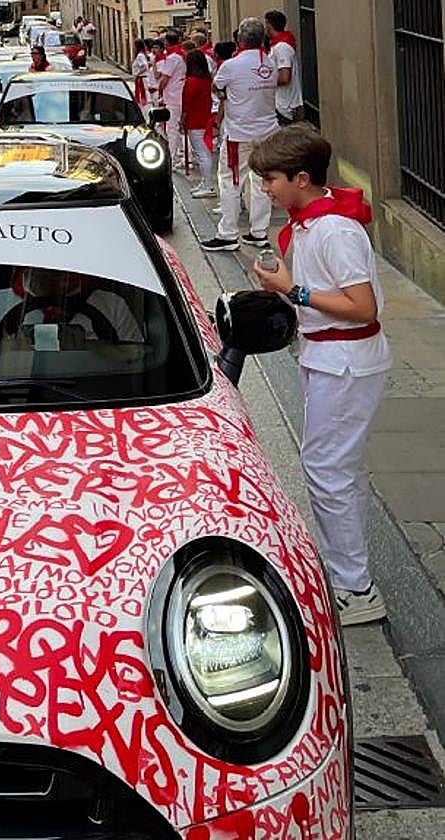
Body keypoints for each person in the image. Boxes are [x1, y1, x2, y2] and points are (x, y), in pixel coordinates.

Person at [250, 126, 391, 625]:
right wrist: (285, 290)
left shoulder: (335, 230)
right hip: (329, 359)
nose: (265, 187)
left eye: (270, 179)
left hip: (346, 364)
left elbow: (362, 307)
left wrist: (297, 291)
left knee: (329, 472)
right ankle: (347, 575)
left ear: (301, 178)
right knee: (334, 470)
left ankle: (356, 588)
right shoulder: (313, 223)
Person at [201, 18, 278, 251]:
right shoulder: (271, 63)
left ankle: (228, 234)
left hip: (239, 133)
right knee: (262, 181)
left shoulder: (231, 66)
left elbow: (216, 87)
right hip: (268, 131)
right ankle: (259, 232)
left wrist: (226, 97)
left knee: (231, 182)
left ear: (240, 39)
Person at [0, 267, 143, 342]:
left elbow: (133, 359)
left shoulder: (112, 305)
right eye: (50, 269)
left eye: (64, 267)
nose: (61, 274)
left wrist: (96, 350)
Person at [182, 49, 216, 197]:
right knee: (203, 153)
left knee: (202, 153)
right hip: (204, 117)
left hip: (195, 120)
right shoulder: (206, 80)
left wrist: (182, 118)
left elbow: (187, 102)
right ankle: (205, 181)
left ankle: (208, 185)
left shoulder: (192, 81)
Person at [265, 10, 304, 125]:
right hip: (281, 104)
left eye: (266, 24)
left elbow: (285, 77)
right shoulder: (278, 46)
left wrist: (265, 81)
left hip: (284, 105)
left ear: (269, 25)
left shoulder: (282, 47)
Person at [155, 31, 187, 168]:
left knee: (172, 128)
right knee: (177, 127)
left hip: (173, 96)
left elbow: (164, 78)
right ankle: (182, 155)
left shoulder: (173, 58)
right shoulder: (181, 55)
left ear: (167, 42)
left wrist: (159, 91)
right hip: (178, 94)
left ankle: (172, 158)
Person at [131, 40, 150, 106]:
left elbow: (144, 67)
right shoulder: (142, 54)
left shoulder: (140, 56)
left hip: (140, 78)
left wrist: (137, 74)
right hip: (141, 77)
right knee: (141, 93)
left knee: (141, 94)